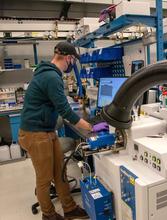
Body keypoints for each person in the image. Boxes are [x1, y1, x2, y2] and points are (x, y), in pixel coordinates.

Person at [18, 41, 108, 220]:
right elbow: (66, 112)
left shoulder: (47, 73)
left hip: (46, 131)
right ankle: (49, 215)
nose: (73, 64)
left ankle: (69, 209)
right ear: (68, 58)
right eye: (73, 60)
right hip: (35, 134)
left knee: (60, 173)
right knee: (44, 180)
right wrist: (90, 127)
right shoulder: (52, 77)